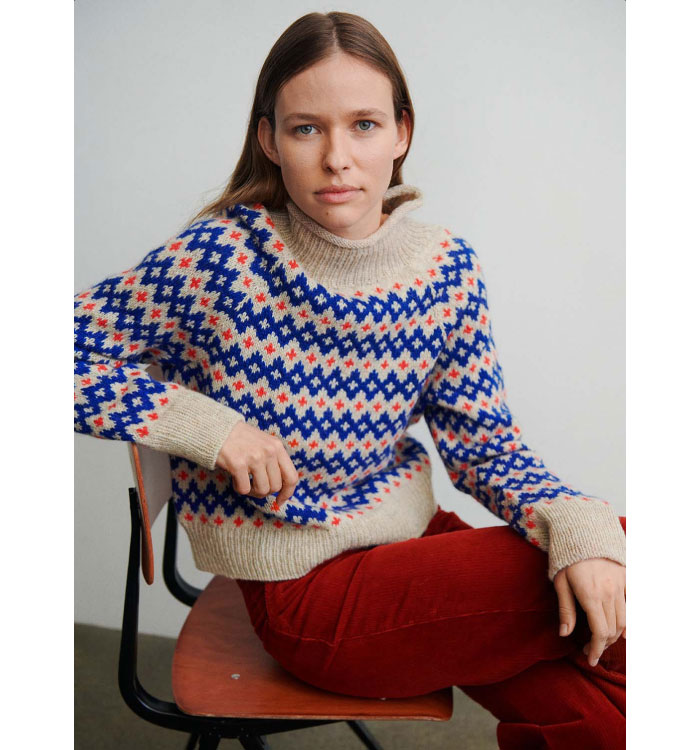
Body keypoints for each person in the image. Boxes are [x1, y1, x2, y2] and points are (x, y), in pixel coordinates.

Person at [74, 11, 626, 749]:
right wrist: (210, 428)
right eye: (307, 129)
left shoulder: (444, 271)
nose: (337, 158)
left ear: (401, 133)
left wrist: (574, 521)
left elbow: (484, 450)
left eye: (364, 125)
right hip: (309, 598)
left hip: (413, 543)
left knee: (599, 703)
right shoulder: (224, 261)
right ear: (270, 140)